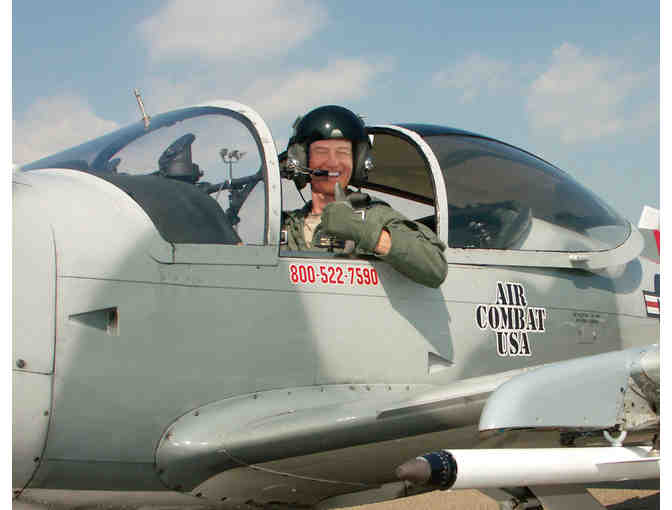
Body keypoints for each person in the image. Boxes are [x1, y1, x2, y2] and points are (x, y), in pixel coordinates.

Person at [281, 105, 447, 288]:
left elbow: (435, 267)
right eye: (321, 152)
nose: (333, 162)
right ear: (302, 160)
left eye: (343, 152)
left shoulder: (374, 216)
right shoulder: (285, 226)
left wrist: (361, 230)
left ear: (358, 161)